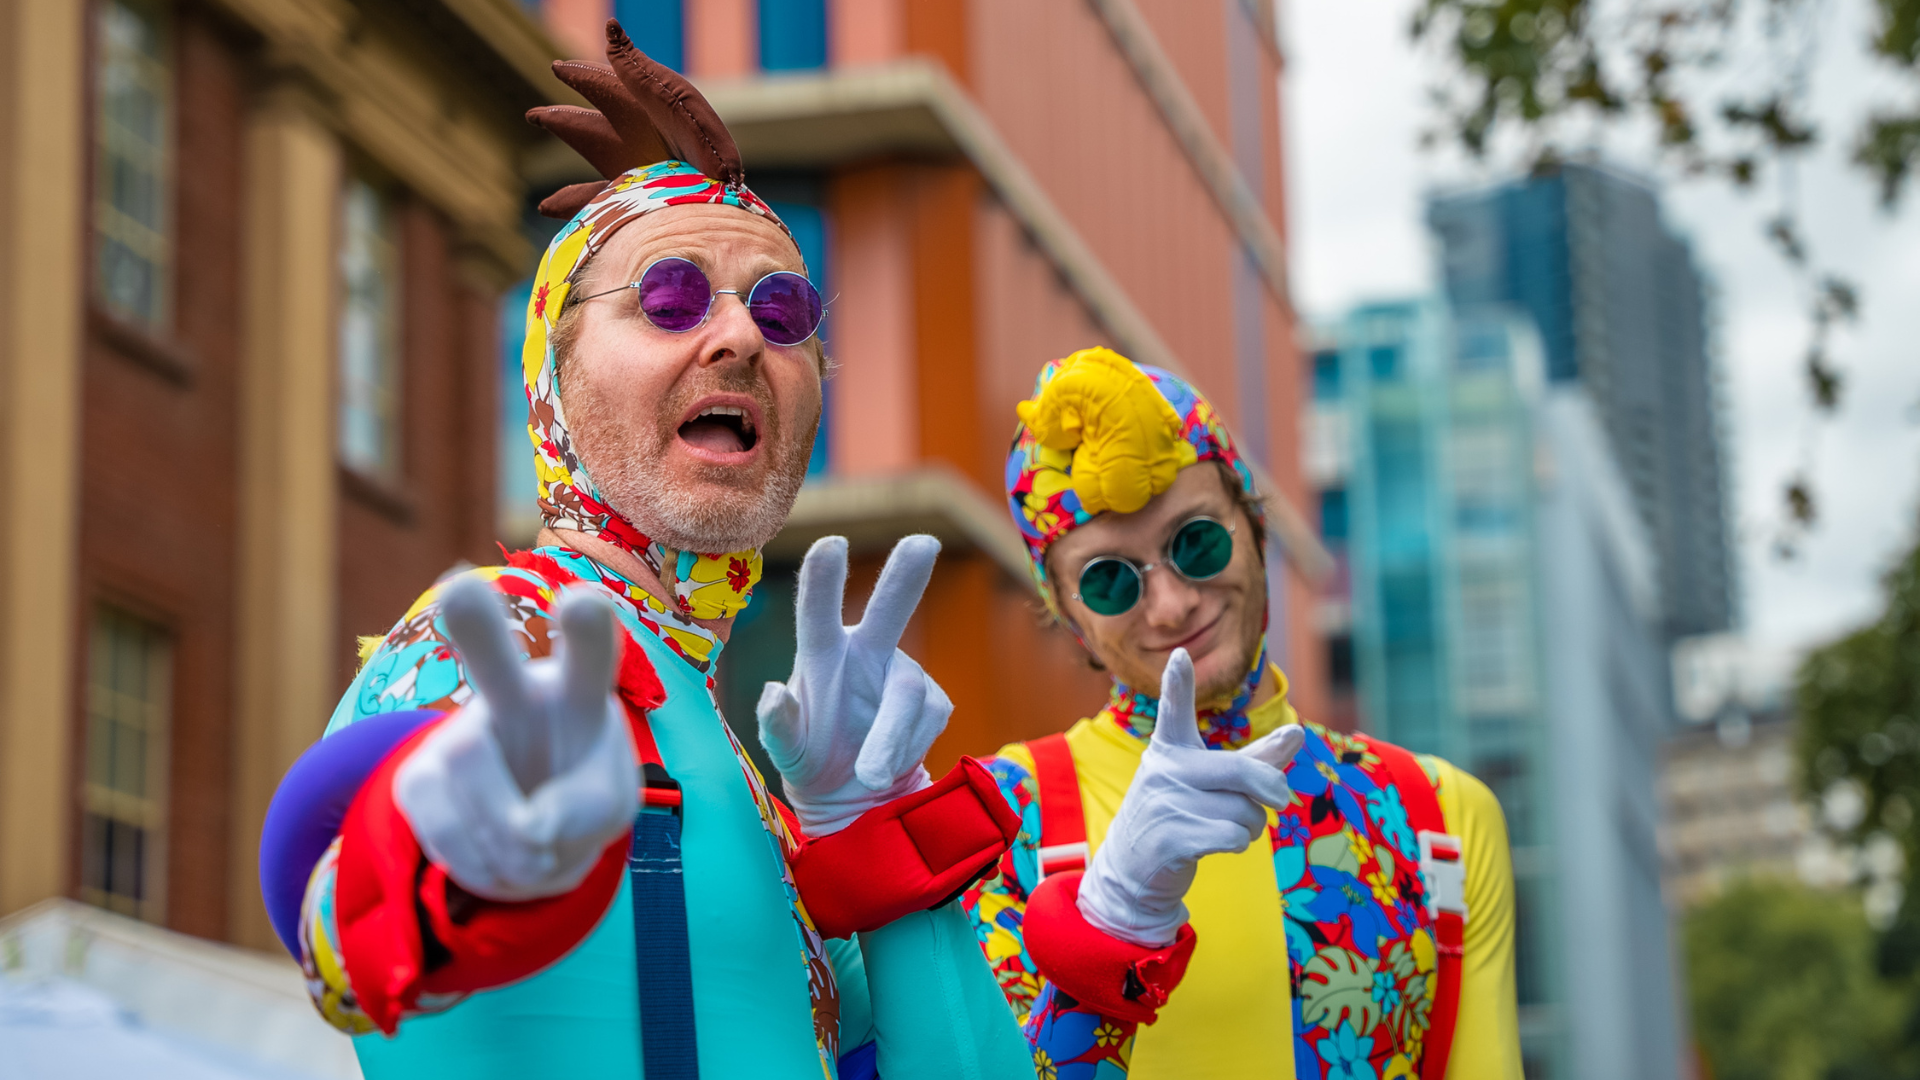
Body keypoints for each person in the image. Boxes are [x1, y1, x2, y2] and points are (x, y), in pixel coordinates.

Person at [255, 23, 1033, 1080]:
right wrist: (445, 866)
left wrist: (874, 829)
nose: (743, 337)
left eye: (782, 307)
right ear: (553, 373)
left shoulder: (734, 748)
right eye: (668, 297)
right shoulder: (507, 637)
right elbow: (338, 940)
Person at [957, 347, 1523, 1078]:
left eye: (1195, 541)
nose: (1172, 604)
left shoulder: (1440, 819)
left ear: (1256, 528)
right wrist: (1106, 925)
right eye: (1108, 582)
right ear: (1066, 614)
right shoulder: (999, 827)